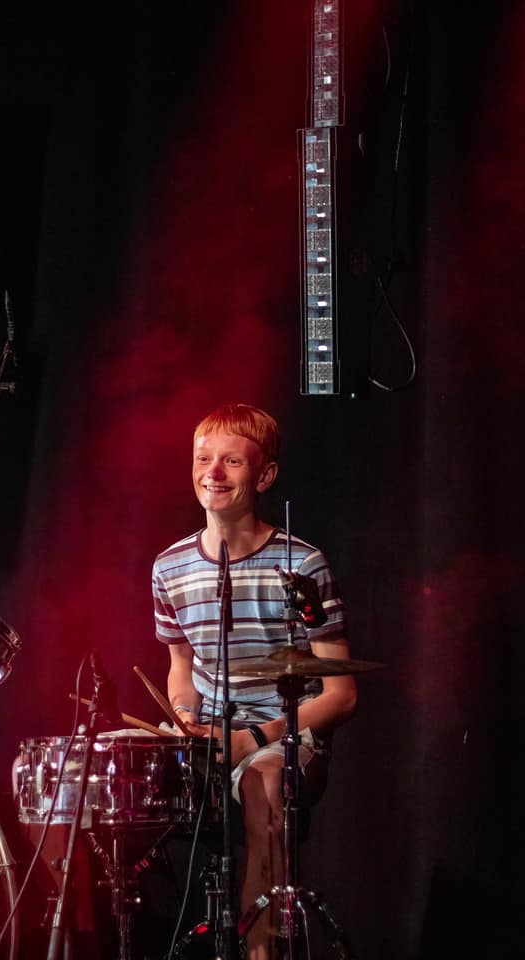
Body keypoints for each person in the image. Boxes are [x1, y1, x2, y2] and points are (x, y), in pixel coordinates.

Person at [152, 403, 357, 960]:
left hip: (281, 737)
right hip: (209, 736)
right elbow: (181, 668)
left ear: (264, 476)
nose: (213, 473)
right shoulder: (168, 567)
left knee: (263, 789)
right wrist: (184, 717)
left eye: (232, 461)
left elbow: (342, 695)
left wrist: (252, 740)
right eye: (203, 459)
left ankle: (261, 951)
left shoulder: (302, 565)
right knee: (90, 782)